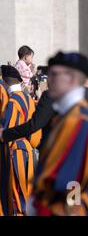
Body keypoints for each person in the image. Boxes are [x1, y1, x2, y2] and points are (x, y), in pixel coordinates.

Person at [30, 52, 88, 216]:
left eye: (56, 75)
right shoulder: (68, 109)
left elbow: (72, 176)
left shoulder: (80, 114)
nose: (50, 80)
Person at [0, 65, 42, 216]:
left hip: (16, 153)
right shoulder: (28, 98)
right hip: (29, 150)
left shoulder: (13, 102)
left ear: (5, 82)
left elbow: (7, 132)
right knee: (28, 196)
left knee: (18, 196)